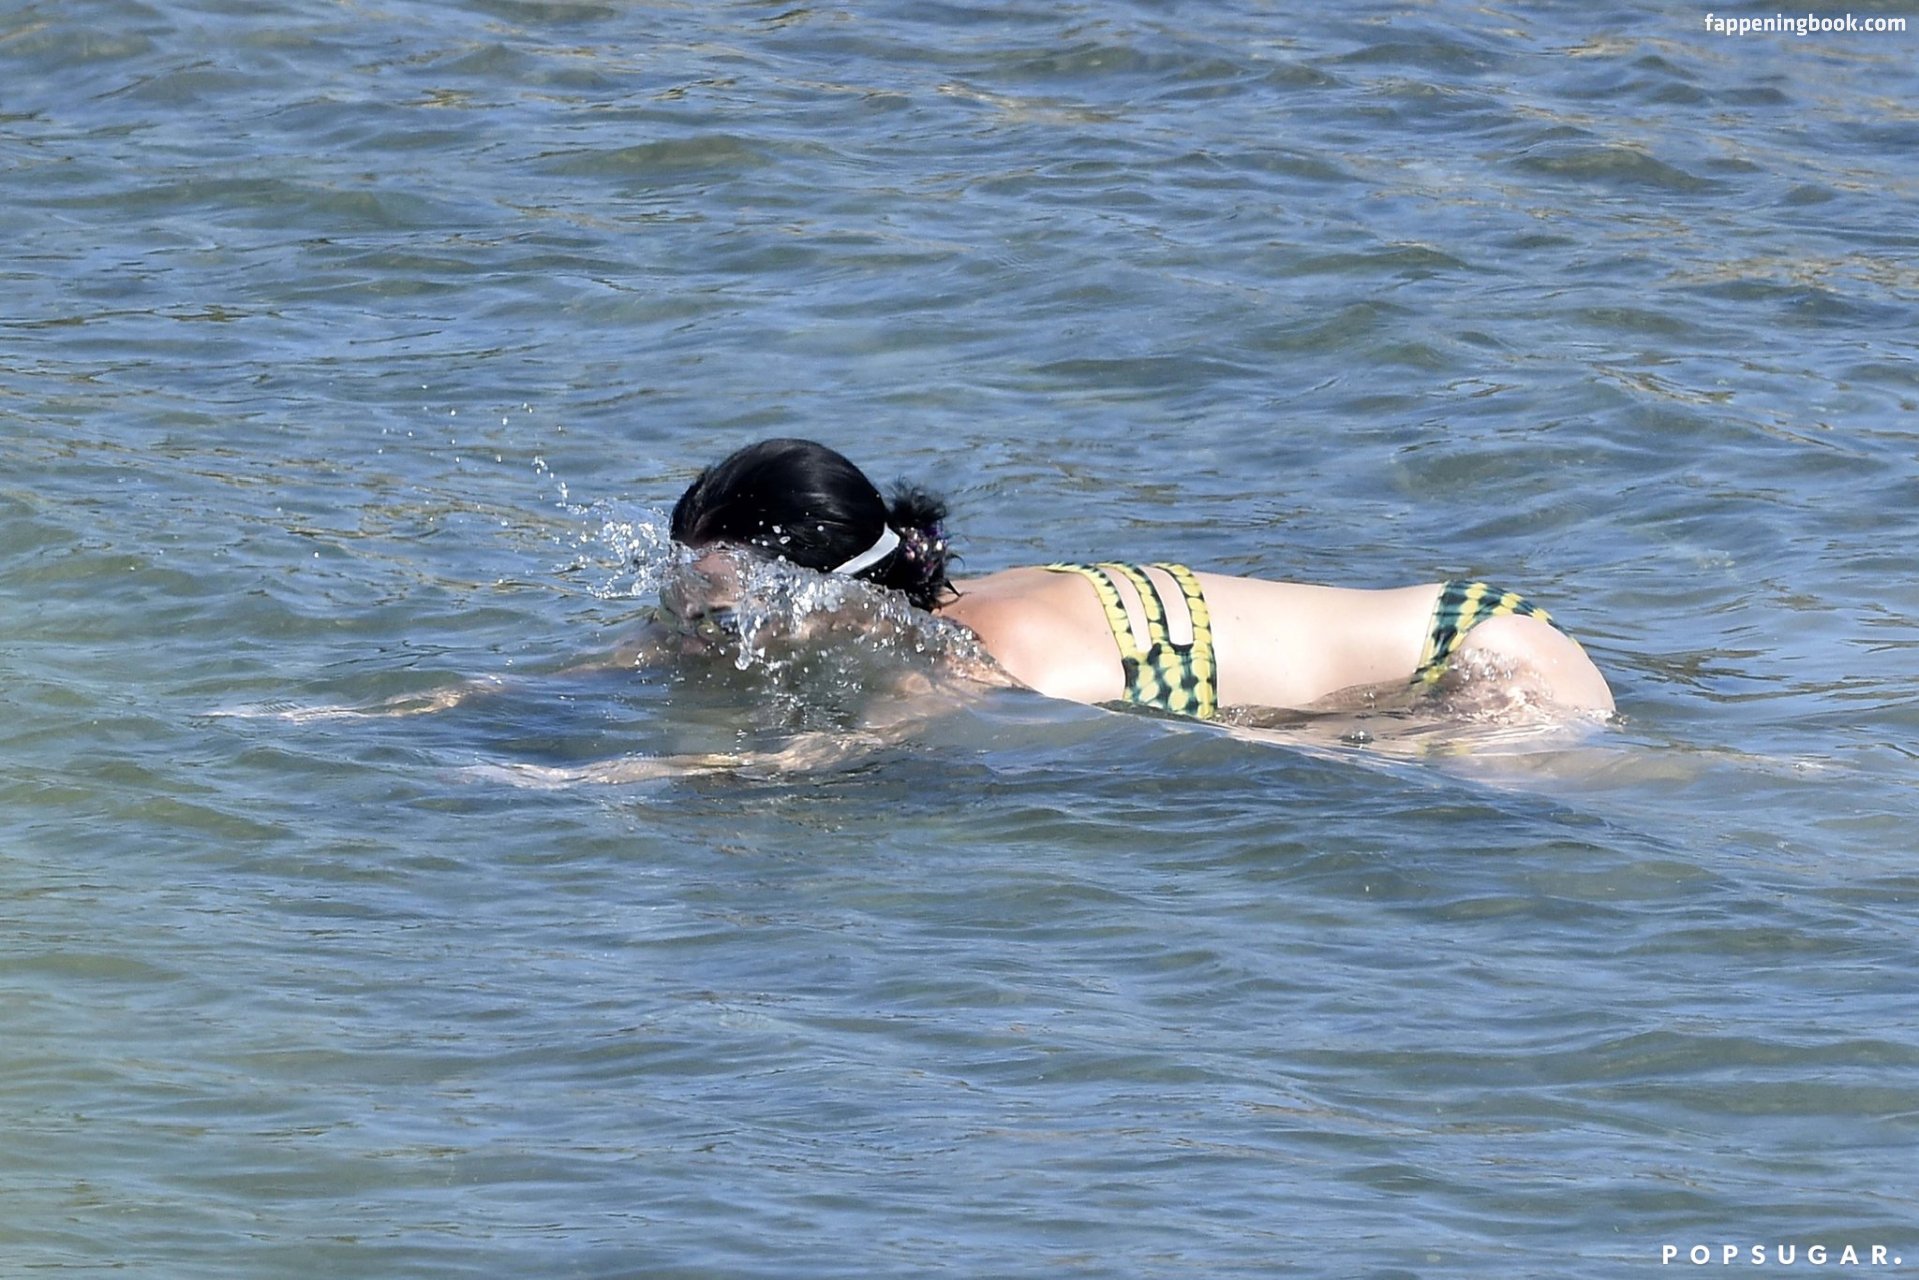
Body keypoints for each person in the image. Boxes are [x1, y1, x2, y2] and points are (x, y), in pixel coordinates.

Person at [665, 438, 1614, 723]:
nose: (701, 627)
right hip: (1458, 631)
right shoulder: (920, 607)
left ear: (823, 593)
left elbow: (833, 759)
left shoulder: (991, 661)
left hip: (1483, 666)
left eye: (722, 611)